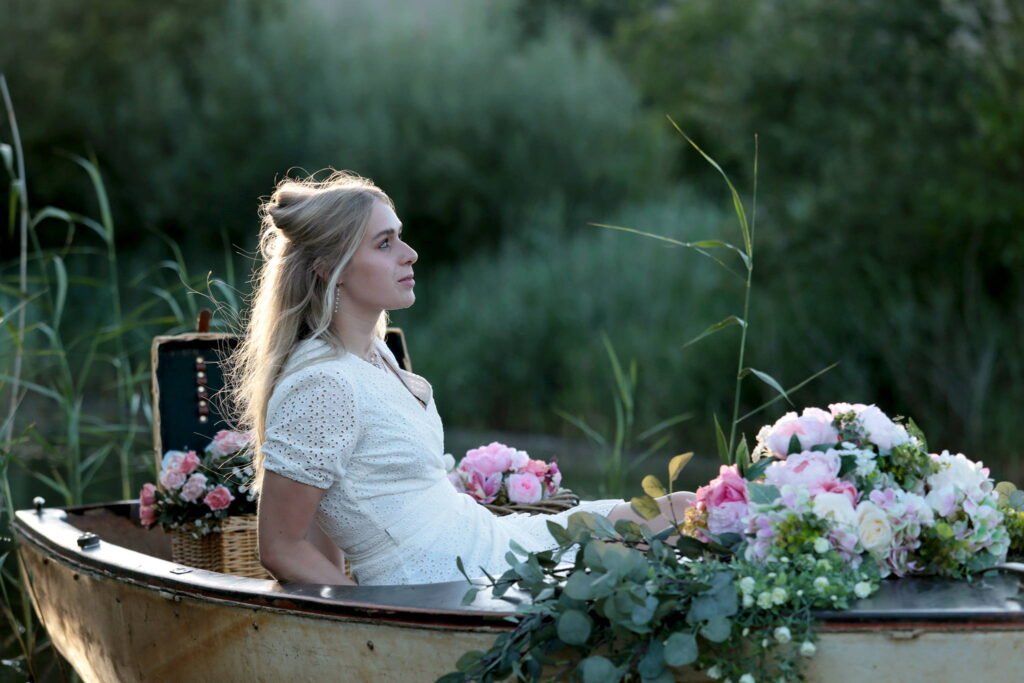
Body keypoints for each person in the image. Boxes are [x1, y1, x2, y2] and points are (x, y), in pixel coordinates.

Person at [229, 171, 694, 586]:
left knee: (682, 509)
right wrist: (365, 623)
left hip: (485, 540)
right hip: (449, 578)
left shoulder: (373, 356)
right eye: (385, 243)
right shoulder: (321, 384)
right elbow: (283, 546)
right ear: (331, 268)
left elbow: (322, 520)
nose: (410, 255)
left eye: (400, 238)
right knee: (663, 534)